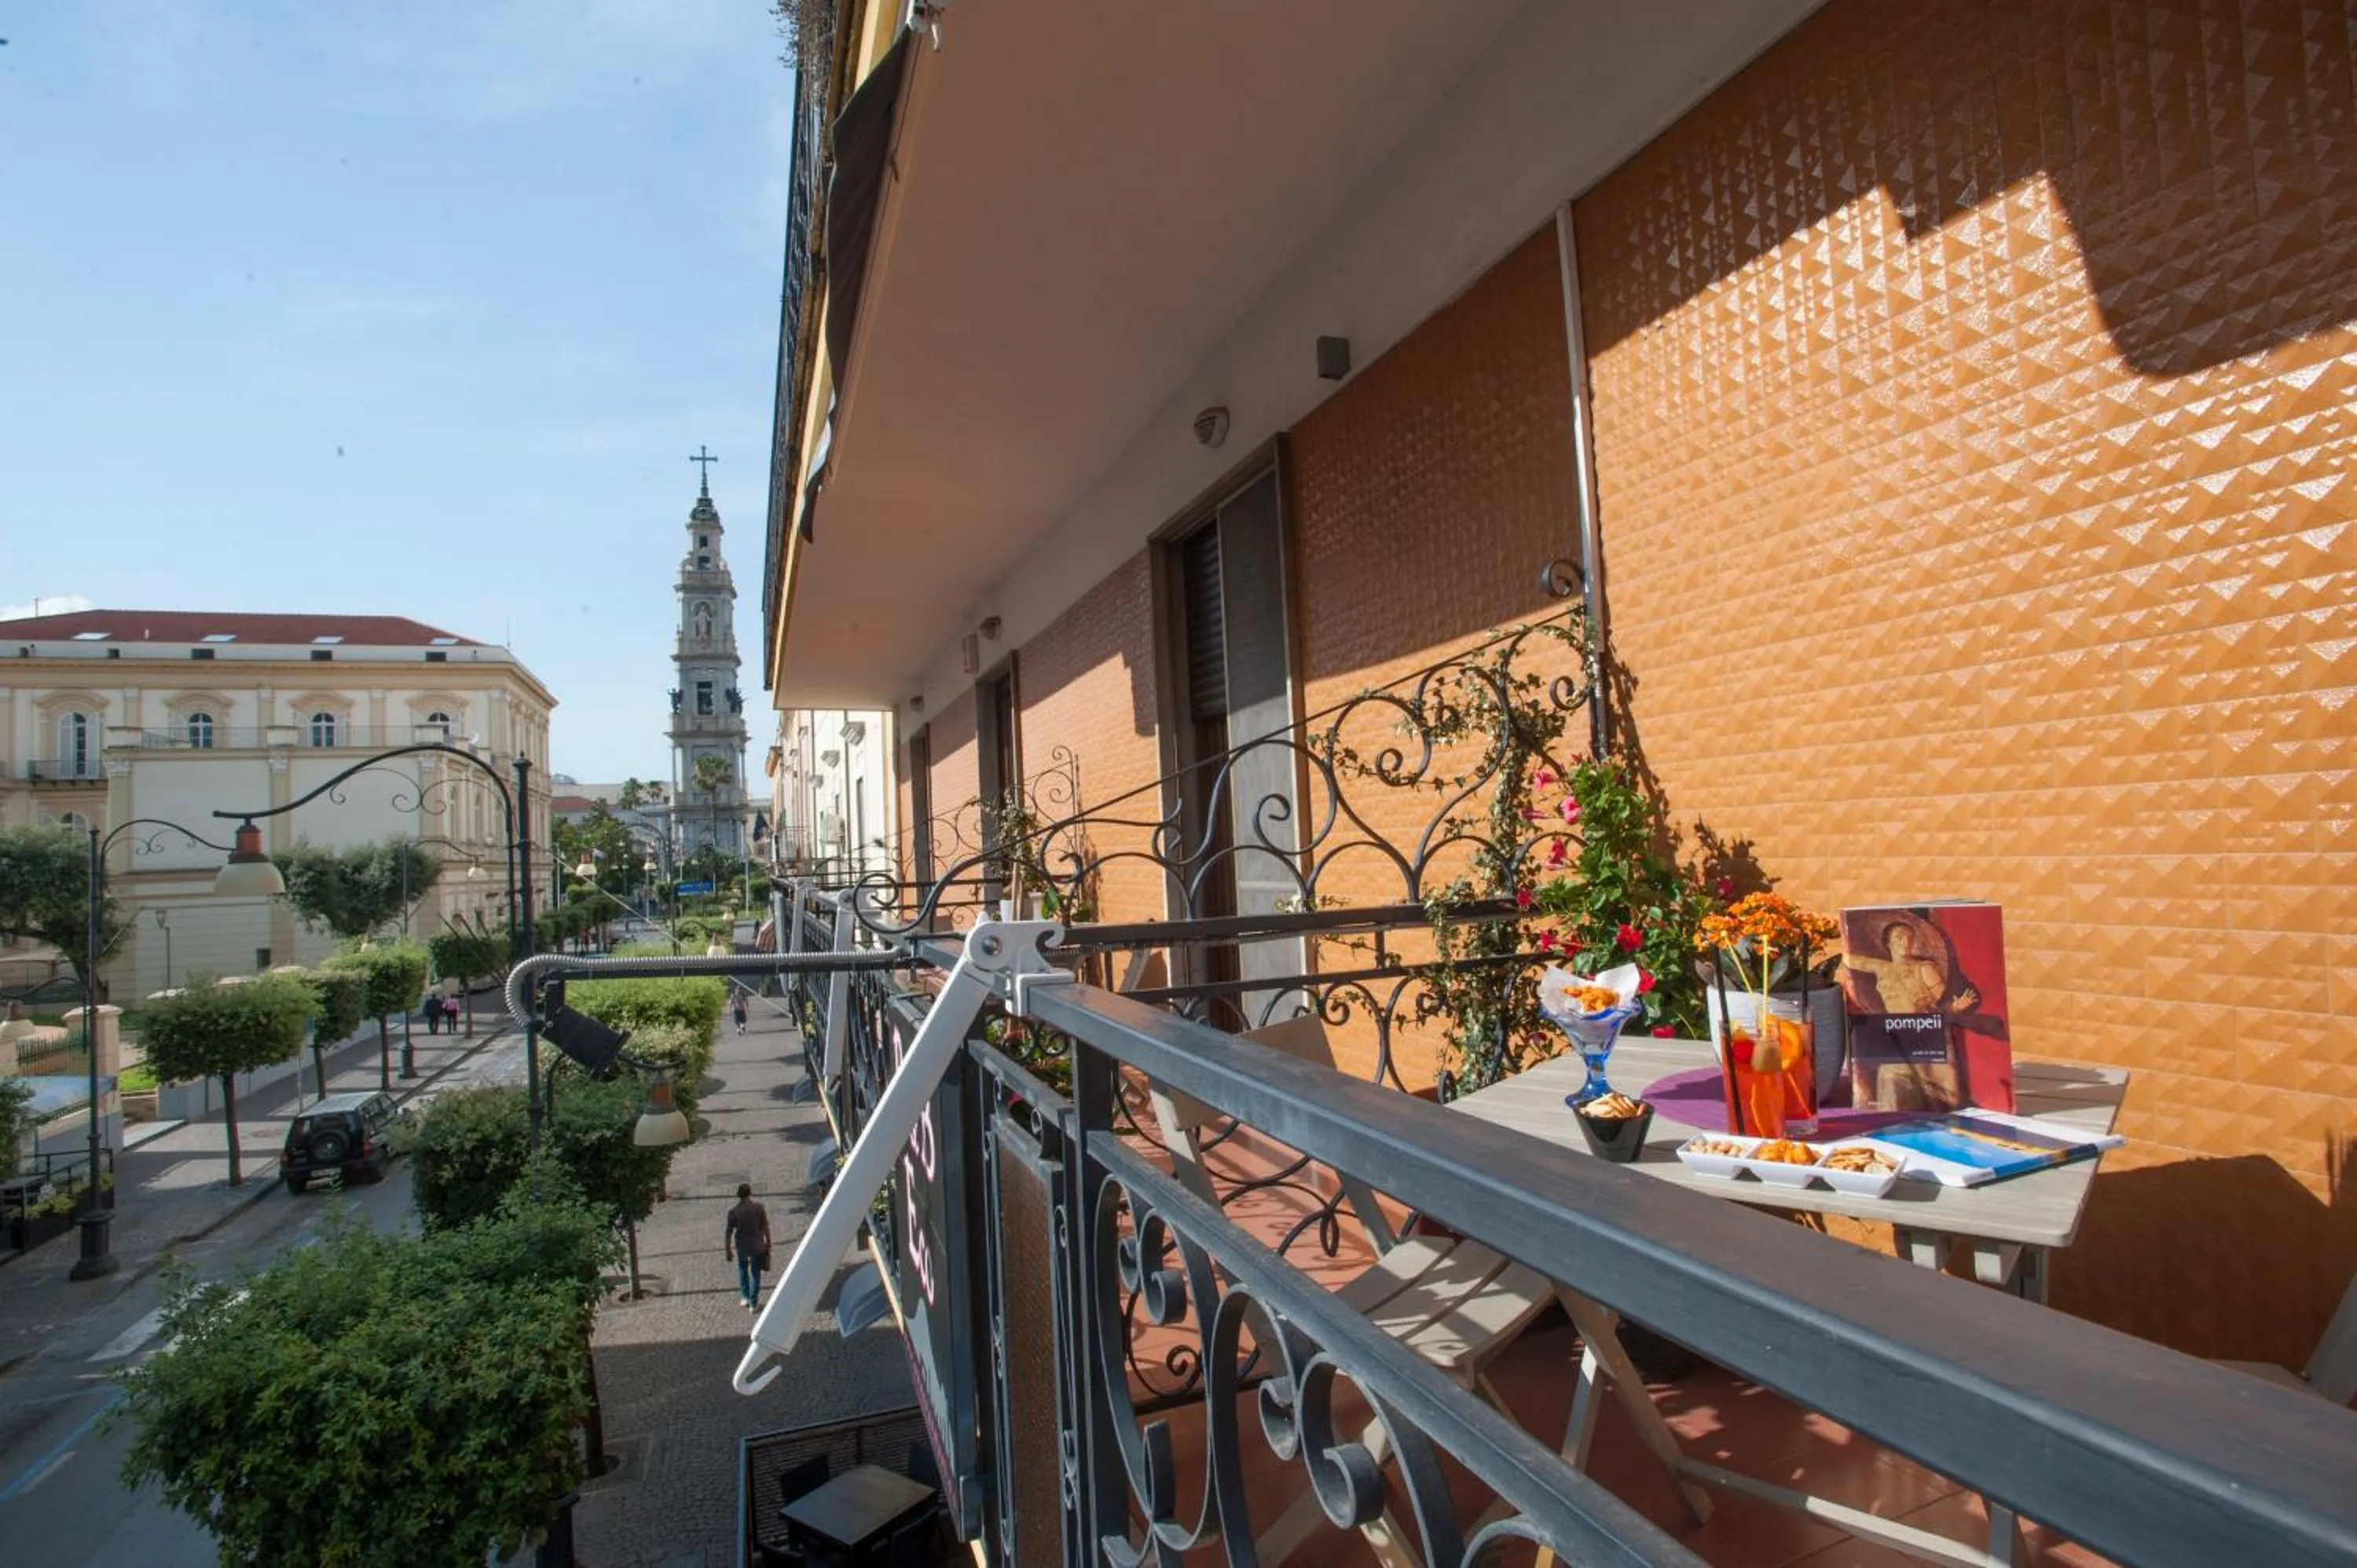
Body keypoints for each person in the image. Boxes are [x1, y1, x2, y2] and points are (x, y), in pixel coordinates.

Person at [724, 1181, 772, 1310]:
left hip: (742, 1247)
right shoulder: (759, 1208)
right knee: (756, 1273)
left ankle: (745, 1297)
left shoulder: (733, 1212)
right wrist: (769, 1242)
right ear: (750, 1193)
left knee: (742, 1269)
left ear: (739, 1195)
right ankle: (753, 1302)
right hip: (757, 1245)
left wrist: (728, 1249)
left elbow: (728, 1232)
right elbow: (765, 1226)